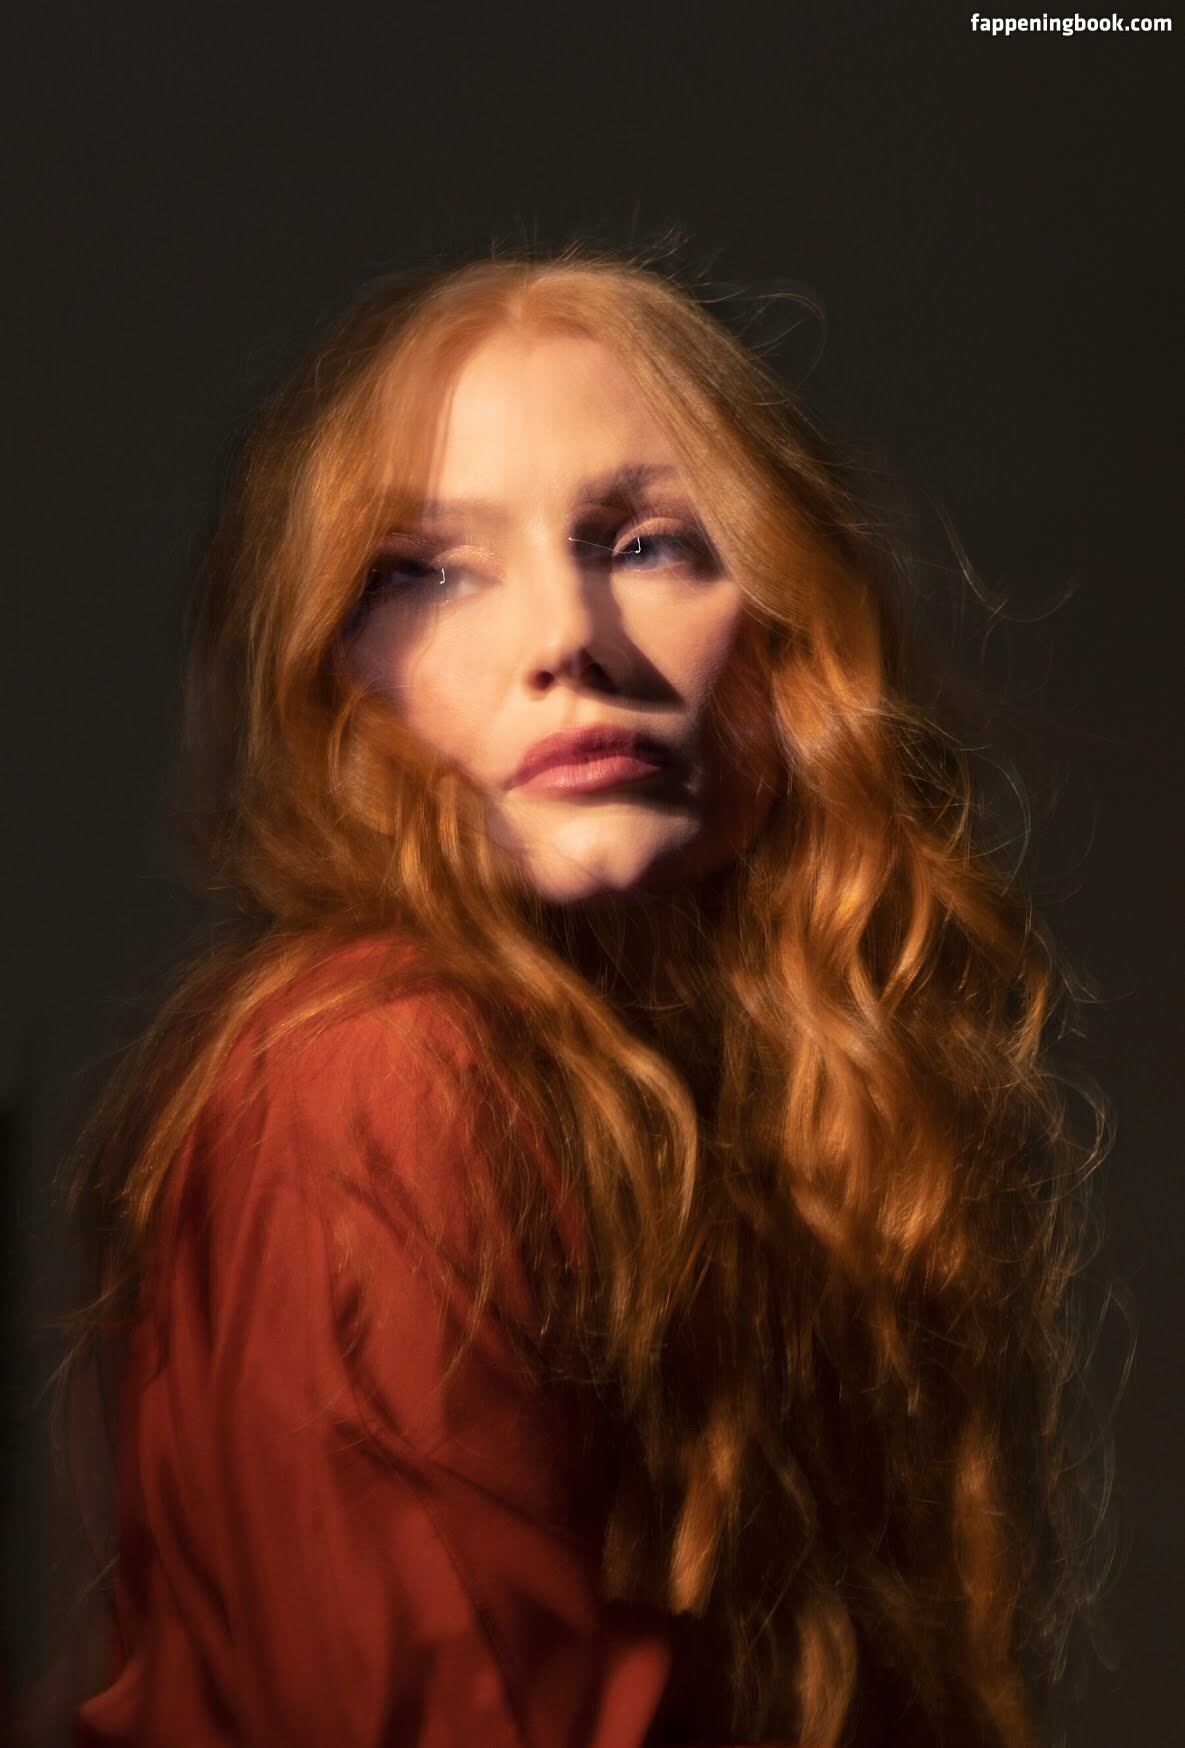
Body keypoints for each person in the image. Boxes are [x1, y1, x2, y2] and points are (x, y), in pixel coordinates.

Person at [63, 248, 1104, 1747]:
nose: (568, 642)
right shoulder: (377, 1072)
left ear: (788, 627)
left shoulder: (784, 1125)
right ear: (337, 673)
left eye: (650, 544)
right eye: (424, 570)